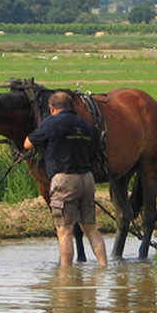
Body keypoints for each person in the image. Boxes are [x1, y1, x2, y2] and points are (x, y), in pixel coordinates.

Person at [23, 91, 107, 266]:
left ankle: (66, 275)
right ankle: (103, 266)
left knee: (64, 231)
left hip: (64, 180)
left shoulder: (51, 123)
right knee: (91, 228)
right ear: (71, 106)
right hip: (87, 179)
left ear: (52, 108)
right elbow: (93, 147)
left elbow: (28, 144)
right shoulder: (84, 125)